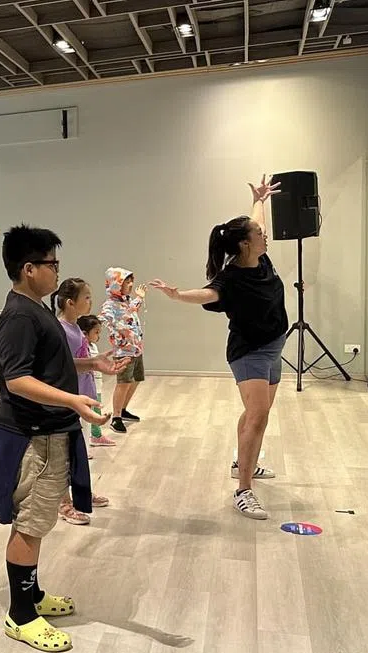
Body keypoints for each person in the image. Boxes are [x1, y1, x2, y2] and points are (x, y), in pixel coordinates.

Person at [0, 225, 115, 653]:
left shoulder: (35, 309)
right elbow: (17, 380)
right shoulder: (19, 315)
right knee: (31, 524)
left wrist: (90, 364)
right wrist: (73, 400)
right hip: (33, 436)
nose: (57, 271)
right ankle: (20, 615)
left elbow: (48, 365)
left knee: (37, 521)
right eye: (52, 264)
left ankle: (32, 595)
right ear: (29, 268)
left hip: (47, 433)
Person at [149, 175, 285, 520]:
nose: (265, 235)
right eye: (259, 234)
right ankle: (244, 490)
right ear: (245, 244)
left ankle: (243, 462)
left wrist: (260, 200)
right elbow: (208, 294)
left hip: (273, 346)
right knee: (258, 415)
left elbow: (257, 222)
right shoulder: (231, 278)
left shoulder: (261, 259)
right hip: (249, 352)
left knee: (258, 412)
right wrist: (177, 295)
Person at [54, 278, 115, 525]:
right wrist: (93, 363)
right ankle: (64, 503)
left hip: (83, 395)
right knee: (64, 454)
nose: (91, 301)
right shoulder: (60, 329)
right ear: (71, 302)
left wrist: (96, 362)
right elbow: (63, 365)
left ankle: (81, 493)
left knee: (79, 451)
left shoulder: (75, 328)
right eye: (86, 297)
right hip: (70, 398)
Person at [99, 267, 147, 433]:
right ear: (116, 284)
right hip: (123, 352)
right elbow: (104, 318)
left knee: (135, 379)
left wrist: (139, 298)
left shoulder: (126, 301)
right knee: (124, 382)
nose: (131, 284)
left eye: (131, 281)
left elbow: (131, 310)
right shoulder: (110, 305)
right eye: (126, 282)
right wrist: (119, 328)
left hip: (136, 349)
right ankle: (116, 417)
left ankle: (123, 409)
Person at [78, 315, 116, 447]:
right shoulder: (82, 348)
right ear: (85, 333)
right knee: (89, 414)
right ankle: (93, 437)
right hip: (86, 386)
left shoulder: (93, 346)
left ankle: (95, 435)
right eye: (96, 332)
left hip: (97, 384)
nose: (98, 336)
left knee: (96, 410)